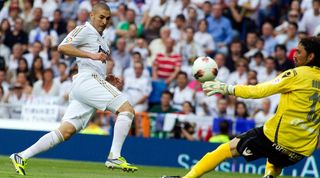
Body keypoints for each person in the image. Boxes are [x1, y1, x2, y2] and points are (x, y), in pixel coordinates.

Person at [10, 3, 138, 175]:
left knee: (66, 130)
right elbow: (62, 47)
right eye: (101, 17)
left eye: (108, 18)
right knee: (127, 110)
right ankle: (115, 155)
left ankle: (21, 156)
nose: (104, 21)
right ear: (91, 16)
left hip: (89, 84)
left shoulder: (102, 40)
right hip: (86, 80)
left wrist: (107, 78)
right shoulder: (84, 30)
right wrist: (91, 55)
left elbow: (94, 64)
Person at [182, 37, 320, 178]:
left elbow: (258, 91)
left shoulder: (296, 75)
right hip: (300, 151)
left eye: (298, 52)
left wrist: (227, 88)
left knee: (224, 150)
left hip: (277, 139)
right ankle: (270, 174)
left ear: (310, 56)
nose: (294, 55)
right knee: (275, 160)